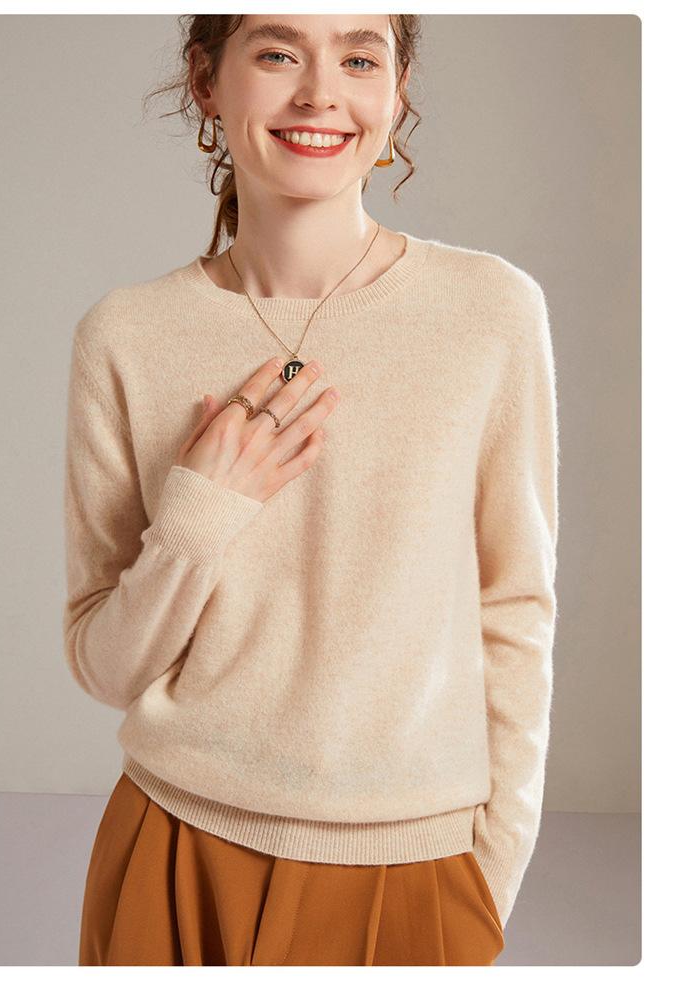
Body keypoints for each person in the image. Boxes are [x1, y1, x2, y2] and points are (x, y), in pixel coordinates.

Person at [63, 13, 559, 966]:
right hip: (174, 850)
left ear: (397, 90)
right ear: (207, 81)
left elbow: (516, 603)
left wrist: (492, 867)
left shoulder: (490, 311)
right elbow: (104, 665)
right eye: (278, 52)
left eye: (360, 57)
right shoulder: (124, 334)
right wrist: (199, 515)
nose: (321, 93)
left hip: (416, 860)